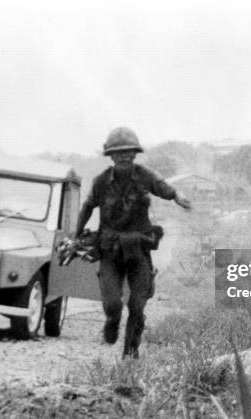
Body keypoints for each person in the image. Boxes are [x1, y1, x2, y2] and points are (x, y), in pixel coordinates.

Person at [75, 127, 191, 358]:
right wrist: (77, 234)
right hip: (110, 251)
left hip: (139, 251)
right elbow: (88, 206)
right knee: (112, 303)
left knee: (137, 306)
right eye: (119, 153)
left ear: (135, 153)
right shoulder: (101, 182)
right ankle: (111, 321)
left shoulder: (144, 175)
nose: (124, 157)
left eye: (129, 152)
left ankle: (130, 354)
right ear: (111, 156)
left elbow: (162, 186)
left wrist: (177, 196)